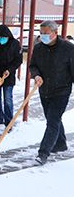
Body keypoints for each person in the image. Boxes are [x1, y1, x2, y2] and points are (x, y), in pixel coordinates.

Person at [30, 20, 74, 165]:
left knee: (53, 121)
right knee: (52, 119)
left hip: (61, 90)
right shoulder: (38, 48)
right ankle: (61, 144)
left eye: (46, 33)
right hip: (44, 90)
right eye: (41, 33)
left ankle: (43, 153)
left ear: (55, 33)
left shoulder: (68, 48)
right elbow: (33, 65)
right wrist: (36, 75)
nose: (42, 36)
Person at [0, 25, 22, 128]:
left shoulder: (15, 44)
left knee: (7, 99)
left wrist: (9, 70)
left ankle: (9, 121)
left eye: (4, 37)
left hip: (8, 76)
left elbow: (18, 60)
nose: (2, 39)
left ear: (8, 36)